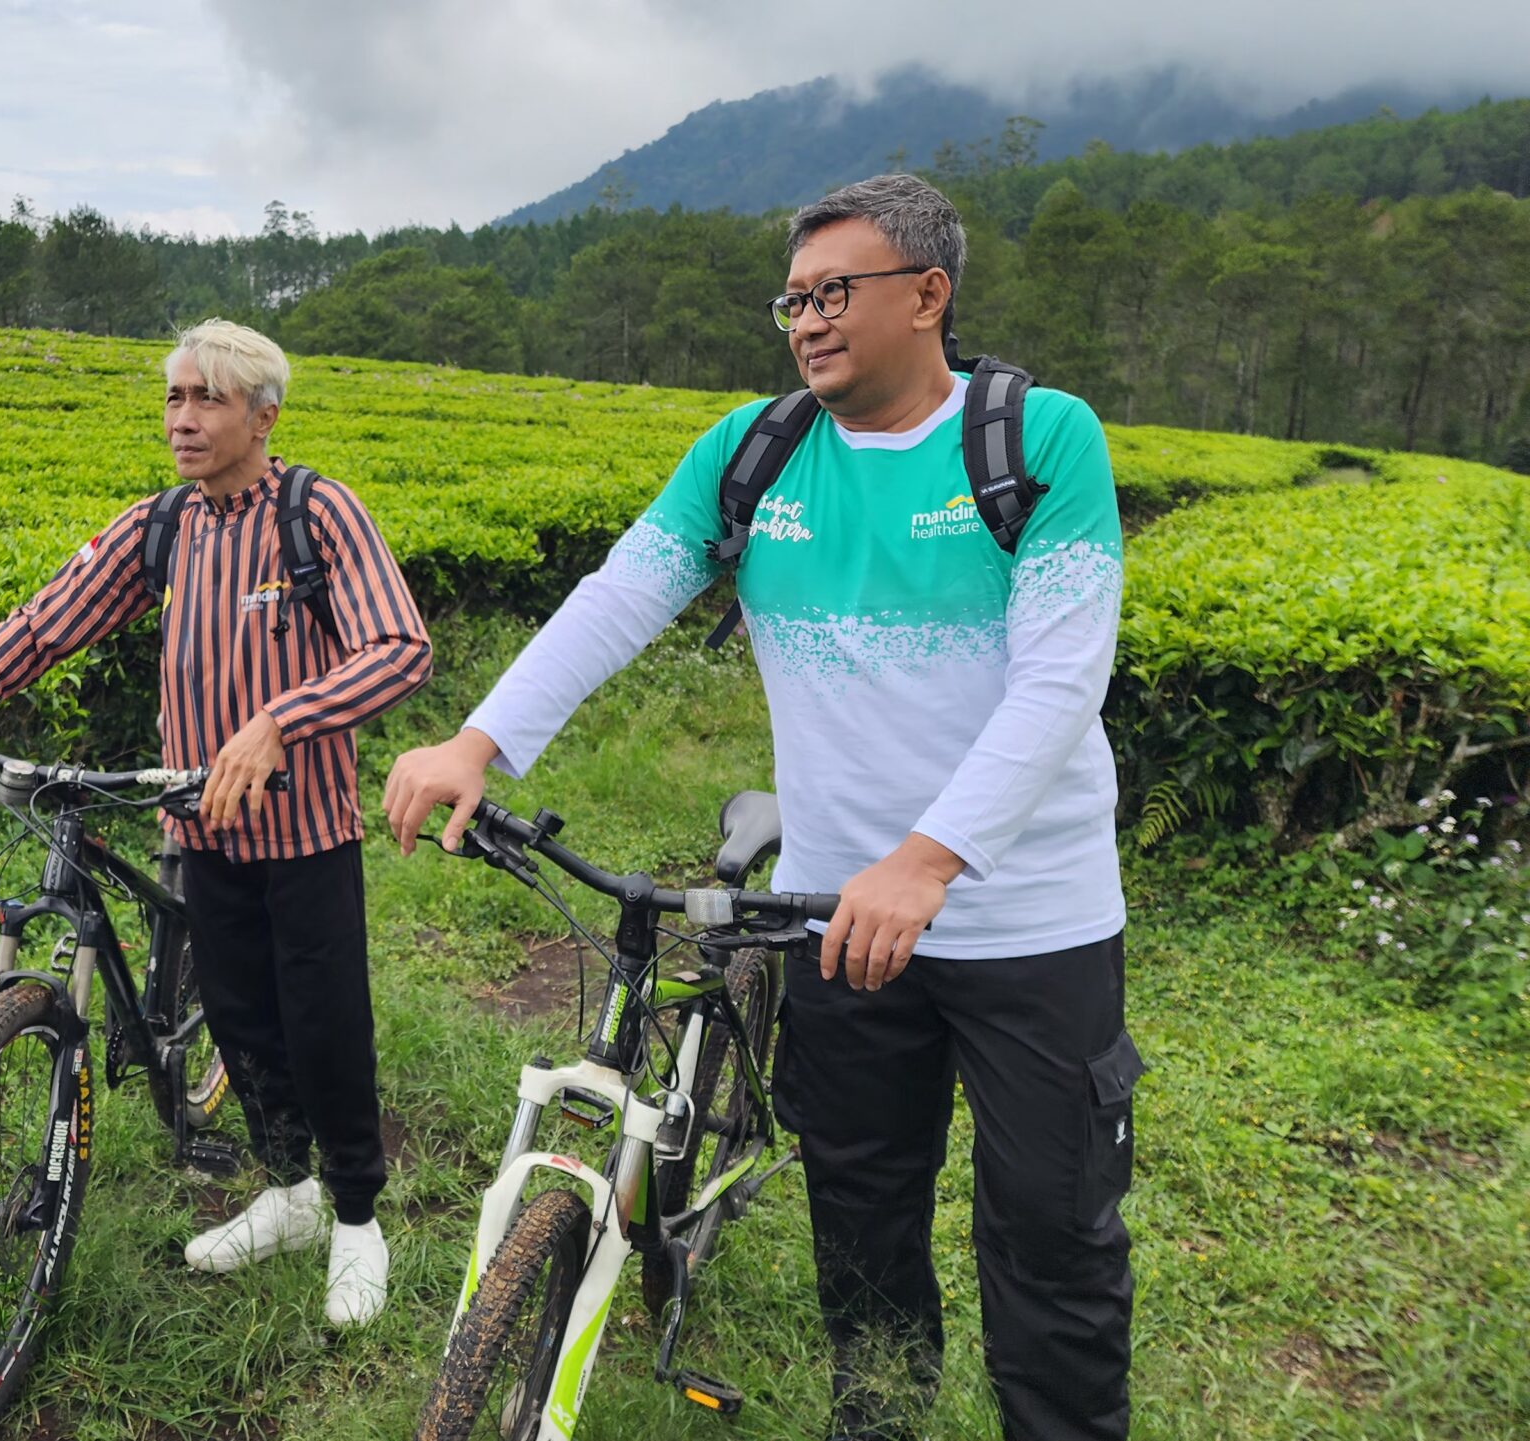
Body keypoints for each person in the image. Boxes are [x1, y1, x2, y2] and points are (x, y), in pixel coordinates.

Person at [383, 174, 1142, 1440]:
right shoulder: (755, 449)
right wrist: (481, 737)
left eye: (835, 291)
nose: (806, 319)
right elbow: (622, 591)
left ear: (928, 296)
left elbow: (1064, 672)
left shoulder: (1037, 439)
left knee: (1050, 1226)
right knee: (860, 1202)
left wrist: (932, 857)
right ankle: (880, 1415)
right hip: (835, 911)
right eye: (791, 298)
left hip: (1030, 920)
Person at [0, 319, 431, 1327]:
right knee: (245, 1020)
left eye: (207, 400)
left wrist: (282, 720)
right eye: (175, 397)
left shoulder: (317, 512)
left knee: (323, 1023)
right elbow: (45, 622)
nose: (183, 419)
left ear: (265, 416)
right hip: (197, 830)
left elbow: (398, 646)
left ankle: (354, 1213)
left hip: (303, 831)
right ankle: (288, 1188)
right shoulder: (161, 526)